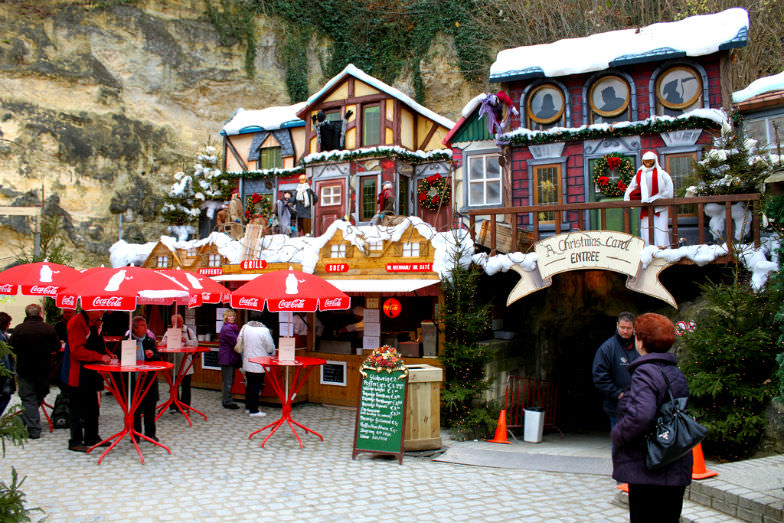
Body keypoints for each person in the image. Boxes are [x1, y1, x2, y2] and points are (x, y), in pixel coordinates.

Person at [611, 313, 692, 523]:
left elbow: (641, 415)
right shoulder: (674, 371)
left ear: (641, 340)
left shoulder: (645, 372)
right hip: (674, 458)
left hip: (649, 465)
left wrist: (618, 434)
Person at [9, 304, 59, 439]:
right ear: (40, 313)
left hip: (25, 368)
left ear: (26, 314)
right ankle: (31, 424)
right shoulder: (48, 328)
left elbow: (11, 347)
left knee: (28, 397)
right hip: (44, 368)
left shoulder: (19, 329)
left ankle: (31, 426)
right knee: (38, 394)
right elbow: (57, 346)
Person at [64, 309, 112, 452]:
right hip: (77, 373)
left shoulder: (95, 322)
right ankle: (75, 441)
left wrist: (108, 354)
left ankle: (92, 437)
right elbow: (77, 350)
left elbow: (98, 344)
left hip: (91, 371)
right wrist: (99, 356)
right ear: (91, 308)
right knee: (77, 408)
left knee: (92, 406)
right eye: (101, 308)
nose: (103, 311)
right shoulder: (77, 322)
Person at [592, 311, 638, 429]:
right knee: (619, 442)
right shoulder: (607, 348)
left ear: (634, 328)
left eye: (628, 328)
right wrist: (617, 393)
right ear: (617, 325)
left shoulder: (640, 346)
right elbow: (599, 376)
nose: (625, 331)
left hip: (639, 403)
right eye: (623, 327)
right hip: (617, 405)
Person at [624, 151, 674, 248]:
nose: (648, 164)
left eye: (650, 161)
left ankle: (662, 248)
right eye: (646, 161)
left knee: (661, 228)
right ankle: (648, 248)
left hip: (660, 208)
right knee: (646, 229)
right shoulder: (638, 175)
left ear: (654, 161)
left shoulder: (662, 174)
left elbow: (669, 190)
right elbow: (631, 188)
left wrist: (658, 197)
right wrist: (632, 197)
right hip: (646, 207)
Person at [124, 316, 162, 442]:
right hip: (133, 379)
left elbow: (158, 358)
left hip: (148, 379)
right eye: (143, 326)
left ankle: (150, 433)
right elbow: (120, 357)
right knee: (135, 408)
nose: (146, 328)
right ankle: (135, 434)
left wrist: (152, 355)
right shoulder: (127, 340)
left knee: (150, 407)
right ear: (135, 328)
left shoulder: (149, 341)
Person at [237, 315, 276, 417]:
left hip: (247, 361)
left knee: (249, 384)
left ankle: (248, 407)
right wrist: (272, 351)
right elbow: (270, 347)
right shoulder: (264, 331)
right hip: (260, 362)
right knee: (256, 386)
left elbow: (239, 341)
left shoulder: (245, 328)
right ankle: (254, 410)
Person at [161, 313, 197, 413]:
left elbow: (195, 343)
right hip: (173, 362)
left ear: (181, 321)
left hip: (186, 363)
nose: (175, 324)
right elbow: (163, 343)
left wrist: (186, 341)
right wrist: (165, 343)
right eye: (173, 323)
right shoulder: (169, 332)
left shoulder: (188, 331)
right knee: (173, 385)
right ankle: (173, 405)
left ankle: (185, 406)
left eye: (177, 322)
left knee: (186, 385)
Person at [218, 309, 241, 409]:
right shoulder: (227, 329)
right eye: (230, 316)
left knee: (230, 380)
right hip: (227, 358)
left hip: (230, 357)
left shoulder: (232, 328)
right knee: (228, 381)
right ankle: (227, 402)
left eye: (233, 316)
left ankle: (227, 400)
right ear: (226, 317)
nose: (232, 318)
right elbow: (235, 341)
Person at [0, 312, 15, 416]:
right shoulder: (2, 337)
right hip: (3, 373)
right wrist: (8, 375)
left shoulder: (3, 335)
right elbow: (4, 358)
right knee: (5, 396)